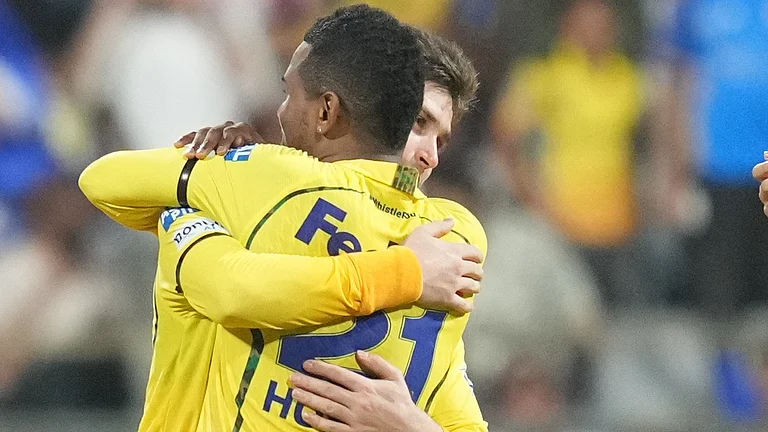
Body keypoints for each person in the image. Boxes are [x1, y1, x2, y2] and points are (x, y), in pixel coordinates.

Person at [80, 6, 487, 431]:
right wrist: (403, 271)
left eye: (441, 139)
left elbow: (104, 182)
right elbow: (233, 287)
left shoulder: (438, 249)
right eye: (418, 122)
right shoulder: (443, 250)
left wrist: (408, 425)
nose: (430, 156)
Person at [491, 0, 645, 306]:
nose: (596, 34)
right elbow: (505, 135)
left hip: (618, 222)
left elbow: (643, 145)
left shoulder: (628, 78)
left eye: (604, 26)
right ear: (568, 28)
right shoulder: (545, 76)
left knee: (615, 312)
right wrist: (527, 194)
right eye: (587, 26)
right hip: (563, 221)